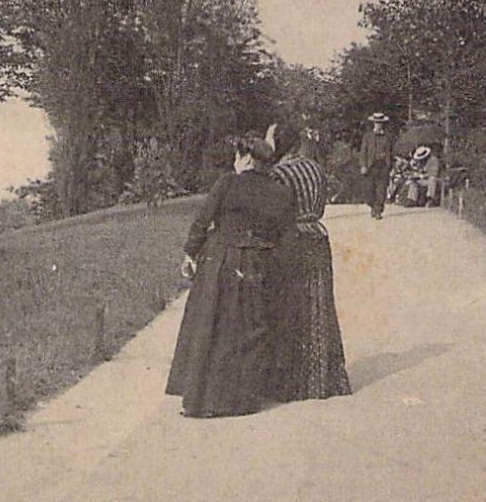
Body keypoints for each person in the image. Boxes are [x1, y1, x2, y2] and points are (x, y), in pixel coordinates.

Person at [166, 134, 298, 418]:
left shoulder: (228, 183)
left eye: (237, 156)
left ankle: (202, 400)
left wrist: (190, 253)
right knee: (249, 328)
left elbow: (203, 220)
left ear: (247, 159)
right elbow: (287, 238)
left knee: (210, 325)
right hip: (258, 263)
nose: (235, 162)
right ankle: (240, 400)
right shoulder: (282, 192)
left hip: (220, 260)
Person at [266, 120, 352, 402]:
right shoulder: (316, 168)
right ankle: (324, 381)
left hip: (291, 240)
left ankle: (292, 383)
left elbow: (275, 213)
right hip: (318, 235)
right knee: (320, 305)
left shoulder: (278, 174)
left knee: (290, 307)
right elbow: (322, 206)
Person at [358, 113, 394, 219]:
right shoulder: (368, 136)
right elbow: (363, 151)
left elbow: (390, 152)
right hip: (370, 166)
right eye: (377, 123)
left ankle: (378, 210)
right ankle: (373, 205)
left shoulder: (387, 137)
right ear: (374, 123)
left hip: (383, 165)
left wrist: (389, 163)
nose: (378, 125)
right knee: (369, 190)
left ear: (383, 124)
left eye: (380, 123)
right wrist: (363, 165)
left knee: (381, 189)